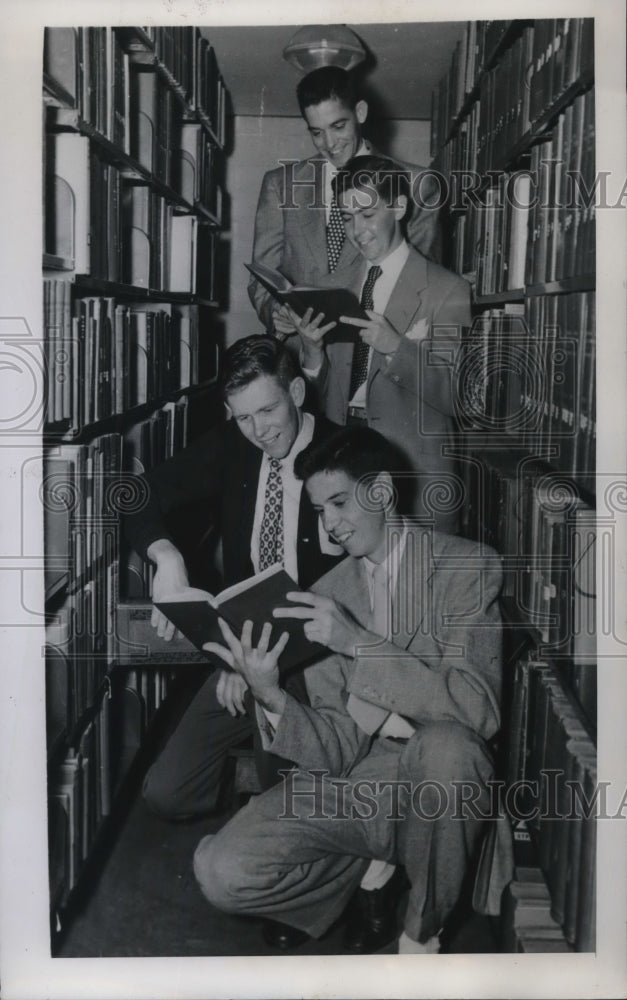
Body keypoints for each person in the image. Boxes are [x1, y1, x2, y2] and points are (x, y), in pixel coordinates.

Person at [193, 425, 503, 954]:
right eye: (319, 510)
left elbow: (477, 710)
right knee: (221, 871)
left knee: (448, 749)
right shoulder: (326, 593)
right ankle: (363, 873)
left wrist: (358, 643)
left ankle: (420, 933)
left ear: (381, 491)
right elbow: (334, 747)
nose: (329, 525)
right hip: (359, 786)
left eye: (339, 502)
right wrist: (271, 694)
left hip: (439, 785)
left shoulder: (465, 566)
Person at [123, 334, 345, 822]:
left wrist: (252, 669)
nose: (259, 431)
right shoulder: (233, 446)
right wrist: (168, 560)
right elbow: (137, 495)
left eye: (268, 410)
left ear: (298, 394)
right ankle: (255, 790)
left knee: (289, 799)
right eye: (243, 417)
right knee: (166, 793)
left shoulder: (344, 453)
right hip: (242, 650)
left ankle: (276, 800)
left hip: (324, 660)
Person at [292, 153, 472, 532]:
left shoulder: (447, 289)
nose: (358, 230)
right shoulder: (335, 285)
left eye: (368, 214)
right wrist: (312, 352)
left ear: (400, 206)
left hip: (414, 480)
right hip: (343, 471)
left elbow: (457, 397)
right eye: (347, 217)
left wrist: (396, 347)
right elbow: (321, 394)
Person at [248, 66, 441, 339]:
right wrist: (273, 310)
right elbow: (262, 275)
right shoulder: (279, 185)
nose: (329, 143)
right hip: (299, 355)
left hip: (373, 357)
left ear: (360, 113)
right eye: (316, 132)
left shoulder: (417, 183)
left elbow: (425, 281)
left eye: (338, 126)